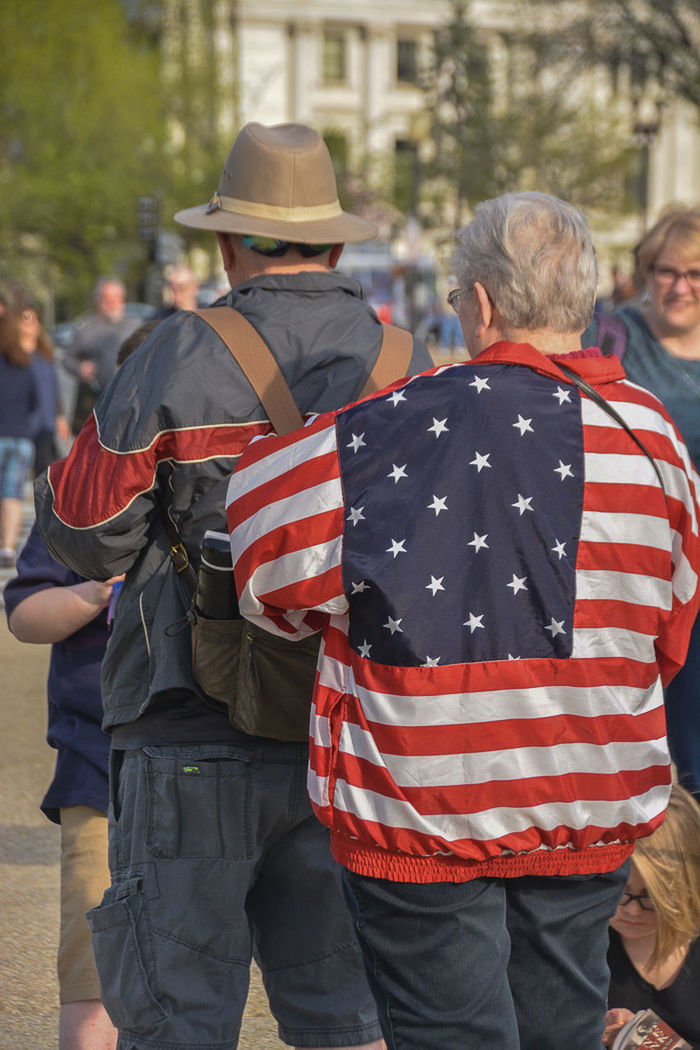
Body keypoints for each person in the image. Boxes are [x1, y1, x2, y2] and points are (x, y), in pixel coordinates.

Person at [225, 190, 700, 1050]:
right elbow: (670, 630)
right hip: (586, 802)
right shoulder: (656, 444)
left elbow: (259, 550)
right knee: (561, 1026)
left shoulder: (392, 429)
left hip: (424, 814)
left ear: (478, 303)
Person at [35, 120, 432, 1050]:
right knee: (351, 1024)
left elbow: (86, 536)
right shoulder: (410, 365)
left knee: (178, 1022)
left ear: (225, 240)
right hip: (352, 738)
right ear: (336, 241)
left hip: (188, 719)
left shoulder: (178, 352)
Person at [583, 207, 700, 799]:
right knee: (639, 745)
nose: (679, 287)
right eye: (665, 271)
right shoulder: (612, 339)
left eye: (695, 273)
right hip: (637, 576)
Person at [4, 522, 120, 1050]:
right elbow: (26, 616)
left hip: (232, 753)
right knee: (93, 968)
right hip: (98, 762)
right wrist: (92, 592)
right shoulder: (79, 495)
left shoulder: (251, 460)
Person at [603, 784, 700, 1049]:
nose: (632, 910)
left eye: (650, 897)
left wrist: (651, 1041)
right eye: (621, 892)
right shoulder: (587, 949)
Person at [64, 277, 141, 432]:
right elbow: (67, 359)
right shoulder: (86, 331)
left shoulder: (135, 327)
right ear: (98, 301)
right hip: (96, 403)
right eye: (108, 298)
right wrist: (80, 368)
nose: (113, 303)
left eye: (117, 298)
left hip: (130, 403)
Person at [0, 302, 39, 566]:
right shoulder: (25, 365)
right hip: (21, 438)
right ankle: (8, 548)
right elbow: (35, 401)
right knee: (12, 494)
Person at [18, 301, 72, 474]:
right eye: (26, 318)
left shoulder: (45, 354)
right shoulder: (11, 356)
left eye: (35, 319)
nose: (31, 323)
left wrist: (60, 416)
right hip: (20, 423)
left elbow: (53, 386)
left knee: (44, 472)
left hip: (45, 422)